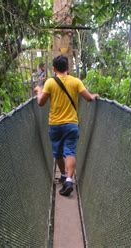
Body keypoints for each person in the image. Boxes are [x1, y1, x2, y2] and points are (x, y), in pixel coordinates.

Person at [34, 55, 98, 196]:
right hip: (71, 124)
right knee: (69, 151)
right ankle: (69, 179)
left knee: (57, 153)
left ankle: (63, 174)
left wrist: (39, 91)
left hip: (55, 125)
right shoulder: (76, 81)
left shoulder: (50, 83)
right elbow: (88, 98)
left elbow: (40, 103)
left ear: (54, 69)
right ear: (68, 67)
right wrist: (93, 96)